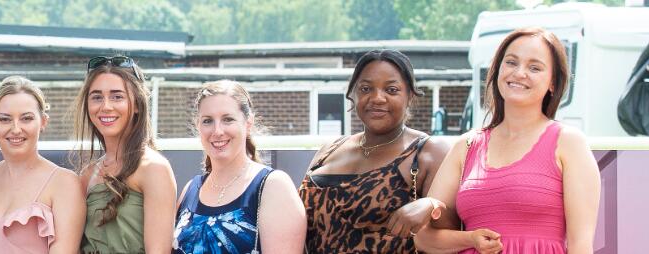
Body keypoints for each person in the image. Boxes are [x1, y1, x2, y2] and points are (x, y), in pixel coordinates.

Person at [416, 27, 601, 254]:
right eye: (511, 62)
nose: (519, 73)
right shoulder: (466, 146)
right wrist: (470, 239)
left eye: (534, 67)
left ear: (553, 83)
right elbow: (423, 238)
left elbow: (581, 246)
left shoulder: (569, 143)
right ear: (498, 69)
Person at [301, 50, 451, 253]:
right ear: (353, 94)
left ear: (410, 96)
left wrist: (432, 206)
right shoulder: (329, 150)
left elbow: (452, 232)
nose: (377, 98)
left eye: (391, 89)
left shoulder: (427, 152)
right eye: (365, 88)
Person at [174, 80, 305, 253]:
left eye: (228, 119)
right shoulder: (190, 190)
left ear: (248, 122)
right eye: (207, 121)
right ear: (198, 126)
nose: (217, 131)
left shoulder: (273, 186)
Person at [0, 76, 83, 254]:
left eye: (26, 118)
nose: (15, 129)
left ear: (43, 122)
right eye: (5, 119)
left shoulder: (65, 183)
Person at [74, 55, 178, 254]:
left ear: (137, 104)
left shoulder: (153, 169)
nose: (106, 106)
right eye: (97, 97)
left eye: (117, 96)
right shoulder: (87, 175)